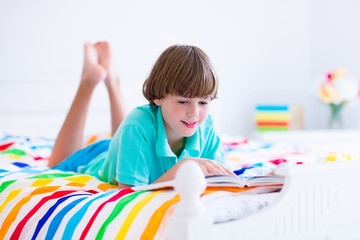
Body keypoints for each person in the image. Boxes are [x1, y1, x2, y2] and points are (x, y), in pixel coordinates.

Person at [48, 41, 235, 189]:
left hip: (129, 146)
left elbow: (221, 180)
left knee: (129, 132)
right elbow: (128, 195)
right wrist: (182, 168)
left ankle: (111, 78)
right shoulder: (136, 127)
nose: (194, 113)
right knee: (55, 164)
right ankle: (90, 81)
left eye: (203, 102)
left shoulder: (206, 127)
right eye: (183, 101)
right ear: (157, 97)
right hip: (96, 158)